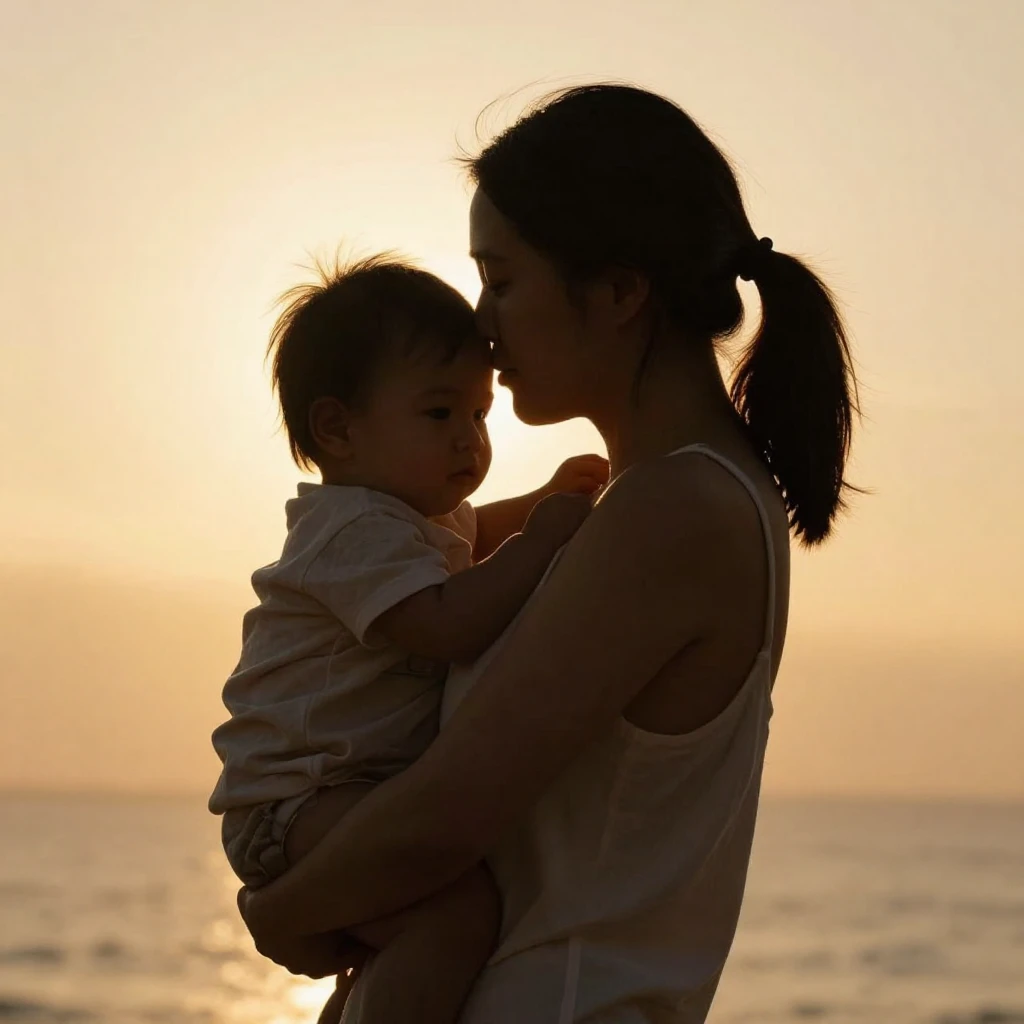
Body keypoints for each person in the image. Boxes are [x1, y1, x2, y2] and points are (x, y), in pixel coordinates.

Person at [238, 84, 859, 1023]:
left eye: (502, 277)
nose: (481, 324)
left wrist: (280, 912)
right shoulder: (647, 500)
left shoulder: (677, 510)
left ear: (616, 291)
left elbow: (449, 814)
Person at [208, 254, 609, 1024]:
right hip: (293, 804)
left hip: (337, 796)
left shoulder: (415, 521)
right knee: (449, 916)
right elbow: (444, 626)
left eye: (479, 414)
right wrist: (547, 536)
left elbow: (479, 532)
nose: (470, 440)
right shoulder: (353, 531)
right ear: (338, 428)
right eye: (439, 414)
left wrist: (556, 497)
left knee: (403, 948)